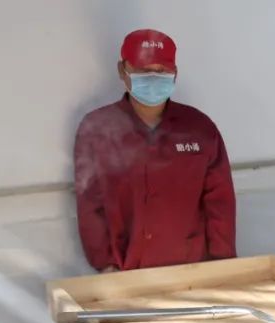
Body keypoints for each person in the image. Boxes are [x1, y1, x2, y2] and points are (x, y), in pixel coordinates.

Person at [73, 28, 236, 273]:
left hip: (193, 269)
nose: (153, 77)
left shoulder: (200, 128)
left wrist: (223, 265)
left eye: (161, 70)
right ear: (122, 70)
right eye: (143, 70)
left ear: (174, 73)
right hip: (126, 271)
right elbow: (89, 205)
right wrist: (106, 265)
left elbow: (220, 202)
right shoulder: (96, 129)